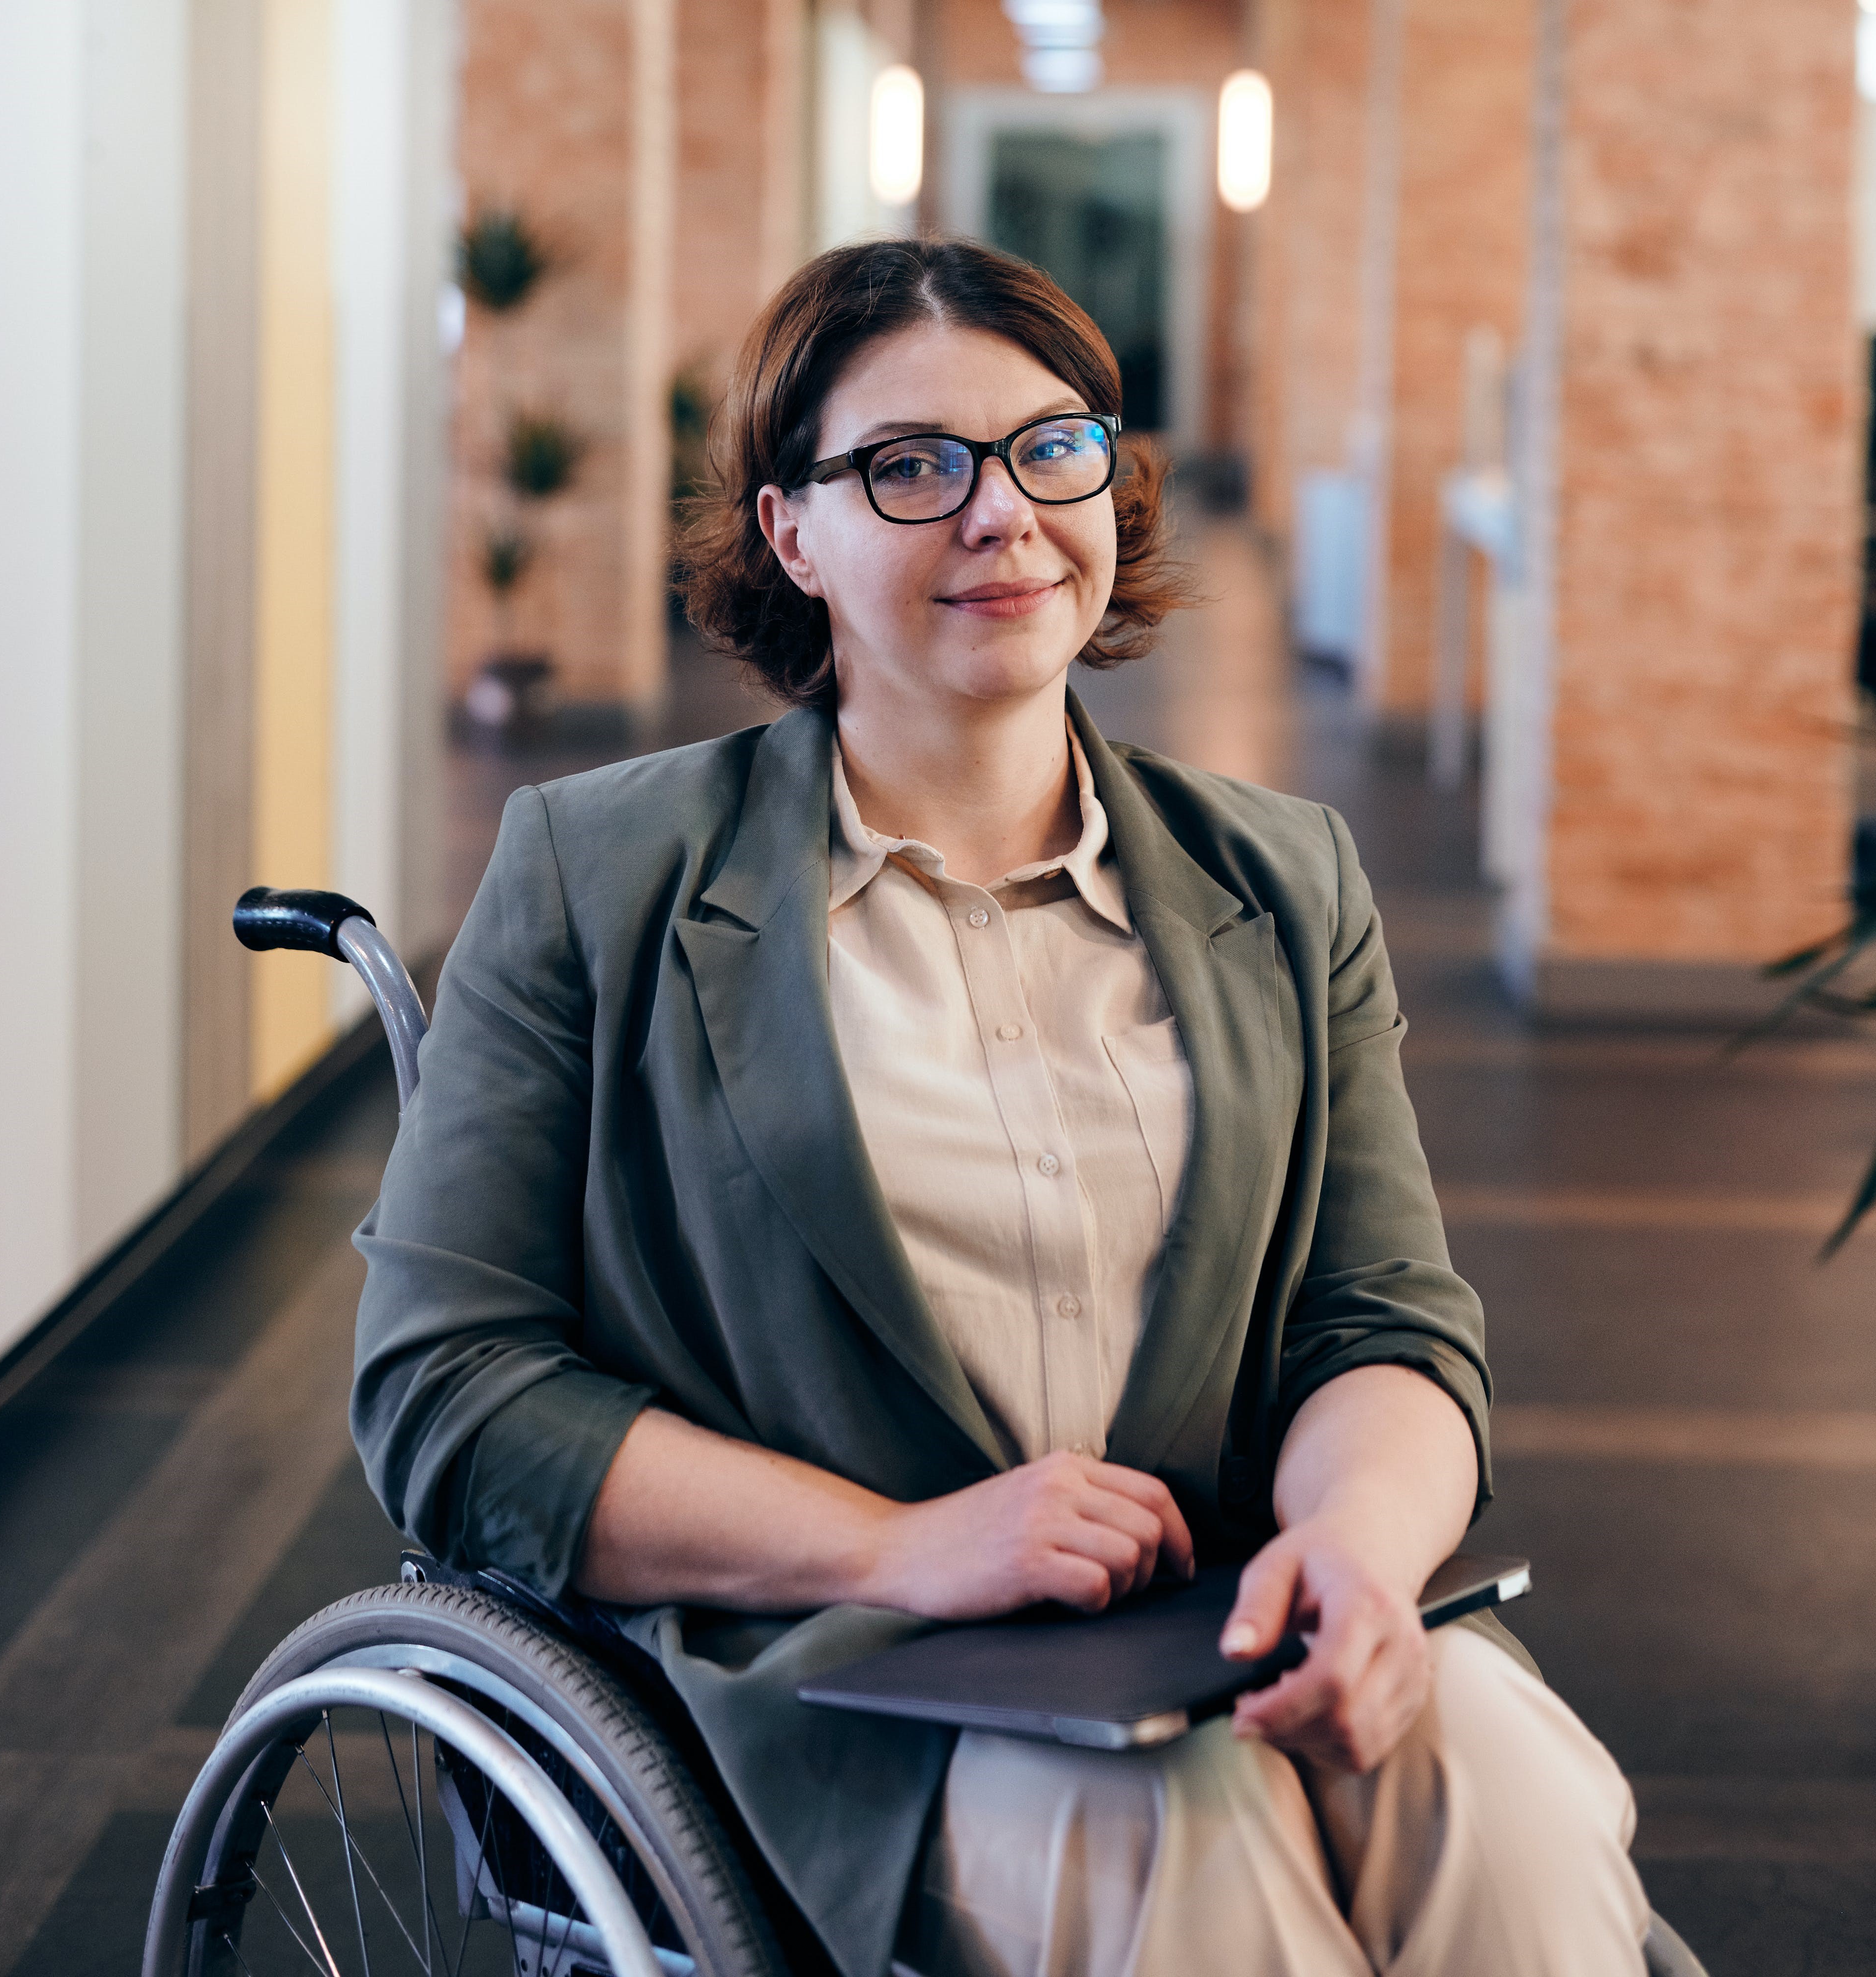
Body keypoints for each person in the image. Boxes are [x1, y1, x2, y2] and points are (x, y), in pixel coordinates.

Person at [352, 237, 1649, 1977]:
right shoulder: (601, 876)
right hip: (845, 1672)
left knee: (1515, 1796)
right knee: (1187, 1839)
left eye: (1053, 448)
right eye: (912, 465)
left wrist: (1356, 1541)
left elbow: (1382, 1318)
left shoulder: (1285, 877)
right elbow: (449, 1390)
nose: (1003, 513)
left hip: (1223, 1613)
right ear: (791, 533)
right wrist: (905, 1547)